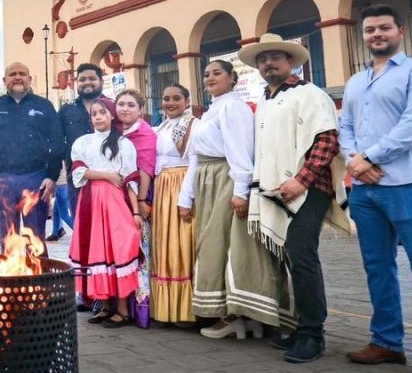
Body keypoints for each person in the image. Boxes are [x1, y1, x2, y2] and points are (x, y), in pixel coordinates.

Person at [339, 5, 412, 373]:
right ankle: (387, 342)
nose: (377, 34)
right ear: (363, 35)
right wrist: (357, 160)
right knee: (378, 268)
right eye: (370, 29)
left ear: (400, 32)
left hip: (408, 185)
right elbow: (345, 126)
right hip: (365, 191)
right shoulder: (357, 82)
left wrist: (368, 158)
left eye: (384, 28)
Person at [240, 34, 352, 363]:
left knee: (302, 258)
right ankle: (301, 326)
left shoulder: (310, 94)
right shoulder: (265, 100)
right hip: (278, 188)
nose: (268, 63)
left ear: (292, 62)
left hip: (309, 189)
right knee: (290, 258)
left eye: (275, 57)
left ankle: (313, 335)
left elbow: (327, 140)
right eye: (262, 59)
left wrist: (300, 181)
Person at [181, 59, 290, 338]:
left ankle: (238, 313)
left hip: (225, 179)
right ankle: (228, 312)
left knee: (230, 245)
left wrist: (241, 192)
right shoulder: (212, 111)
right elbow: (195, 157)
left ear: (232, 78)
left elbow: (240, 151)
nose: (210, 78)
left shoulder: (234, 107)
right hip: (208, 182)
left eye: (217, 73)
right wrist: (187, 195)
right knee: (212, 244)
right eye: (206, 75)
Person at [69, 101, 142, 329]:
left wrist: (136, 212)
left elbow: (130, 180)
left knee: (116, 251)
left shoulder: (124, 144)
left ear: (112, 116)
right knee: (96, 250)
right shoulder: (82, 142)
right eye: (94, 114)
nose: (98, 117)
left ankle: (122, 309)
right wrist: (108, 176)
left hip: (114, 203)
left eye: (103, 113)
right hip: (90, 201)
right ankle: (106, 305)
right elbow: (79, 172)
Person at [0, 62, 62, 250]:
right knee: (8, 240)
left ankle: (39, 278)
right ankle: (9, 279)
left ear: (29, 79)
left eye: (22, 74)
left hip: (35, 178)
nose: (17, 77)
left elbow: (57, 143)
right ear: (4, 80)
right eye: (12, 74)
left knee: (36, 240)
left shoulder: (44, 106)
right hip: (3, 179)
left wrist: (52, 176)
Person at [150, 84, 197, 327]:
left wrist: (185, 198)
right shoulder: (161, 126)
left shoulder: (192, 125)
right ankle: (166, 309)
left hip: (180, 184)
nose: (170, 103)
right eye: (166, 98)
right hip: (162, 187)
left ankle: (187, 311)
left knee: (181, 243)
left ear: (187, 101)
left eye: (176, 98)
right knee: (163, 243)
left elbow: (194, 162)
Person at [116, 88, 156, 329]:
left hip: (138, 195)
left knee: (139, 251)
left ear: (140, 110)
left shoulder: (144, 133)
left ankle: (139, 310)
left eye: (131, 105)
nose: (125, 109)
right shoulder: (117, 132)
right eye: (121, 104)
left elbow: (146, 169)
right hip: (118, 196)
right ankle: (122, 306)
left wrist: (141, 201)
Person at [58, 64, 118, 214]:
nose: (87, 82)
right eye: (82, 79)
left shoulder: (114, 106)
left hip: (111, 178)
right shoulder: (67, 110)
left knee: (109, 223)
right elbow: (57, 142)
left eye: (92, 78)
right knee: (82, 224)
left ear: (101, 82)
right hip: (78, 179)